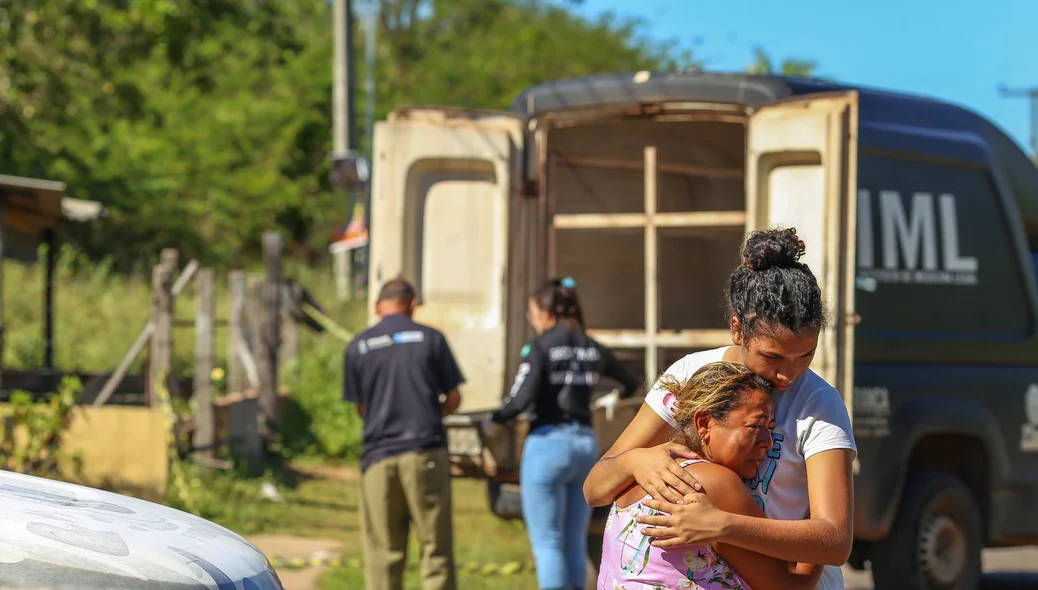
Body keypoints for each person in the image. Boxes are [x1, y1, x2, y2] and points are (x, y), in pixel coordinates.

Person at [582, 228, 857, 590]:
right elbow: (595, 489)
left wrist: (723, 525)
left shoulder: (819, 404)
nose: (788, 373)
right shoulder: (687, 374)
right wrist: (635, 461)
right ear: (737, 329)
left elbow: (835, 541)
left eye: (806, 355)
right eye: (772, 356)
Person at [598, 361, 822, 590]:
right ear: (704, 423)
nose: (768, 442)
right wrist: (816, 514)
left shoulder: (637, 476)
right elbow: (789, 587)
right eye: (755, 427)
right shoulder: (713, 483)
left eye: (770, 428)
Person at [485, 277, 643, 590]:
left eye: (532, 312)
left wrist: (493, 419)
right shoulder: (590, 344)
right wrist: (615, 398)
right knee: (573, 543)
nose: (531, 319)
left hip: (547, 445)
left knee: (548, 544)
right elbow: (630, 381)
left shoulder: (540, 346)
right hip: (585, 446)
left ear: (546, 311)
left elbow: (520, 399)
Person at [342, 278, 465, 590]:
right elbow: (453, 399)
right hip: (426, 453)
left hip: (378, 459)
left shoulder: (358, 345)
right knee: (435, 549)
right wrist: (427, 414)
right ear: (412, 304)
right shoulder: (432, 338)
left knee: (383, 553)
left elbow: (361, 408)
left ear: (377, 306)